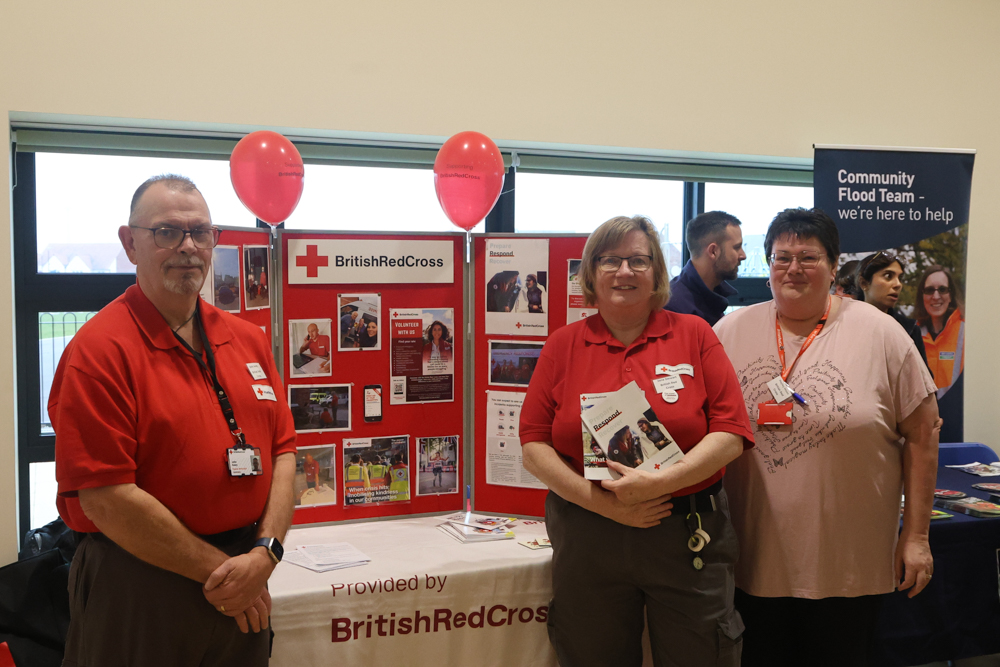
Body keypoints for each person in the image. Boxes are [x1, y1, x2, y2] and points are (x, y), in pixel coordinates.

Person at [49, 175, 297, 666]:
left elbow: (283, 452)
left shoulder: (247, 340)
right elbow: (106, 498)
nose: (188, 247)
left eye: (200, 232)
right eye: (167, 232)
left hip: (243, 574)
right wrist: (230, 575)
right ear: (130, 243)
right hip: (141, 584)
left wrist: (265, 553)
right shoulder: (98, 353)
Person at [520, 214, 754, 666]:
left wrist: (665, 481)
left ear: (657, 274)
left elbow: (731, 431)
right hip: (589, 533)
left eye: (638, 260)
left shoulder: (695, 335)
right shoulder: (562, 346)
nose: (624, 271)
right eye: (609, 260)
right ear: (589, 274)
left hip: (687, 532)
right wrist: (602, 503)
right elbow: (533, 444)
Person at [713, 208, 939, 667]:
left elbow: (924, 433)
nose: (793, 268)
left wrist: (916, 537)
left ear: (835, 266)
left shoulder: (882, 333)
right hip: (751, 563)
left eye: (808, 256)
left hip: (847, 566)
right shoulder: (728, 333)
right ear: (768, 265)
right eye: (781, 257)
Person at [665, 211, 746, 325]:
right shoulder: (673, 309)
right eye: (737, 247)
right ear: (713, 251)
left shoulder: (713, 300)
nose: (743, 255)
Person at [915, 265, 965, 443]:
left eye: (942, 289)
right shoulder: (911, 334)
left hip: (960, 426)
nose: (936, 296)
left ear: (950, 295)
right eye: (929, 290)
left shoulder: (966, 330)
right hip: (922, 429)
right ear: (922, 295)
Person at [856, 251, 928, 367]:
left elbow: (924, 380)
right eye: (888, 276)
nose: (898, 284)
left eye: (900, 278)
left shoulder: (909, 330)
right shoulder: (844, 325)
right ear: (864, 283)